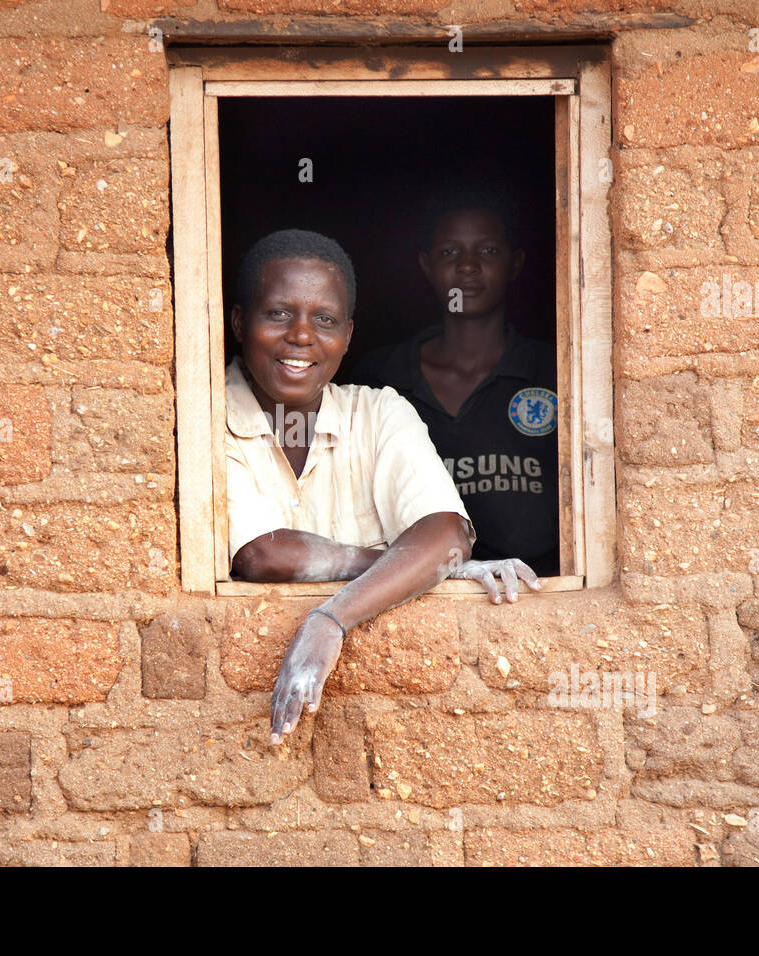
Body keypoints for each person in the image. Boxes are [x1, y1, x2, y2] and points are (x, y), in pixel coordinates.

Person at [224, 229, 541, 745]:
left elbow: (445, 535)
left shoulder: (381, 412)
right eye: (278, 313)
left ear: (348, 336)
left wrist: (329, 620)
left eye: (324, 320)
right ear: (240, 321)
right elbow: (262, 554)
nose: (301, 335)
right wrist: (422, 570)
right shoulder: (206, 415)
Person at [347, 188, 561, 576]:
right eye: (449, 252)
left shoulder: (555, 371)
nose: (467, 266)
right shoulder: (381, 379)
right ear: (426, 265)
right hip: (420, 587)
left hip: (538, 588)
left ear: (516, 264)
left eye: (488, 251)